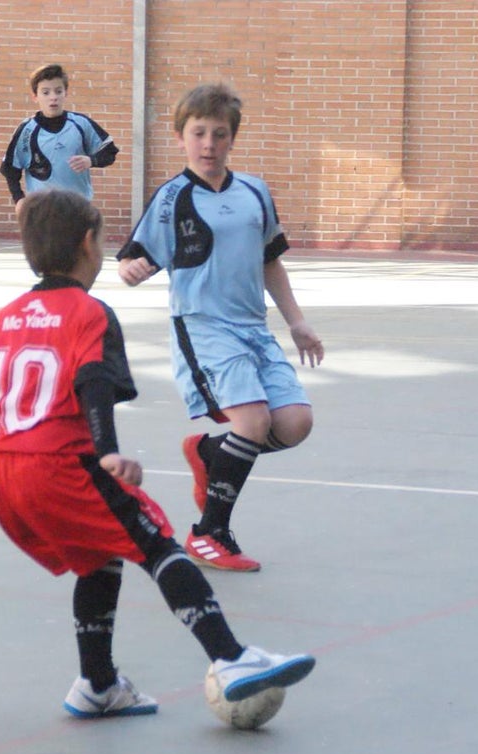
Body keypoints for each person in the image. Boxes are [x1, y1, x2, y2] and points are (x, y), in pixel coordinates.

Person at [0, 188, 315, 719]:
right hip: (58, 463)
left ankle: (98, 684)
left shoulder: (7, 317)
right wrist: (108, 453)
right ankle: (231, 658)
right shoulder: (90, 312)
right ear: (88, 244)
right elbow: (94, 380)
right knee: (156, 542)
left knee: (99, 553)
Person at [116, 83, 324, 573]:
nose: (208, 144)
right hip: (204, 328)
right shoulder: (171, 199)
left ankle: (210, 454)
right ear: (181, 137)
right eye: (199, 133)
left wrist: (297, 322)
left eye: (219, 134)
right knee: (252, 423)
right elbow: (132, 257)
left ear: (232, 138)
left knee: (295, 423)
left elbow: (270, 261)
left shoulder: (254, 192)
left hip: (254, 329)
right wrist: (131, 270)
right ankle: (209, 533)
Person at [0, 63, 119, 213]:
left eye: (58, 91)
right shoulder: (26, 130)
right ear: (35, 96)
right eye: (46, 92)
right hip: (41, 210)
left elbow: (110, 152)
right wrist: (19, 199)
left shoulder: (81, 124)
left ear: (65, 93)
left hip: (78, 208)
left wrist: (91, 160)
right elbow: (10, 169)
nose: (53, 97)